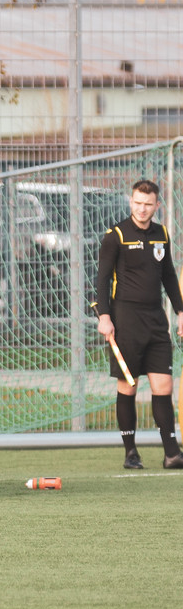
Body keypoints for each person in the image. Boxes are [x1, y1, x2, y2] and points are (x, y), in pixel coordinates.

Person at [93, 179, 183, 470]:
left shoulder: (162, 234)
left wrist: (181, 312)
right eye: (137, 203)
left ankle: (172, 454)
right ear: (131, 201)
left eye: (148, 204)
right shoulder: (116, 235)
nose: (142, 209)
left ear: (157, 205)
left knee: (163, 386)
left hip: (156, 321)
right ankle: (131, 452)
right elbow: (102, 279)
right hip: (125, 321)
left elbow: (168, 276)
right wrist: (104, 317)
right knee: (128, 387)